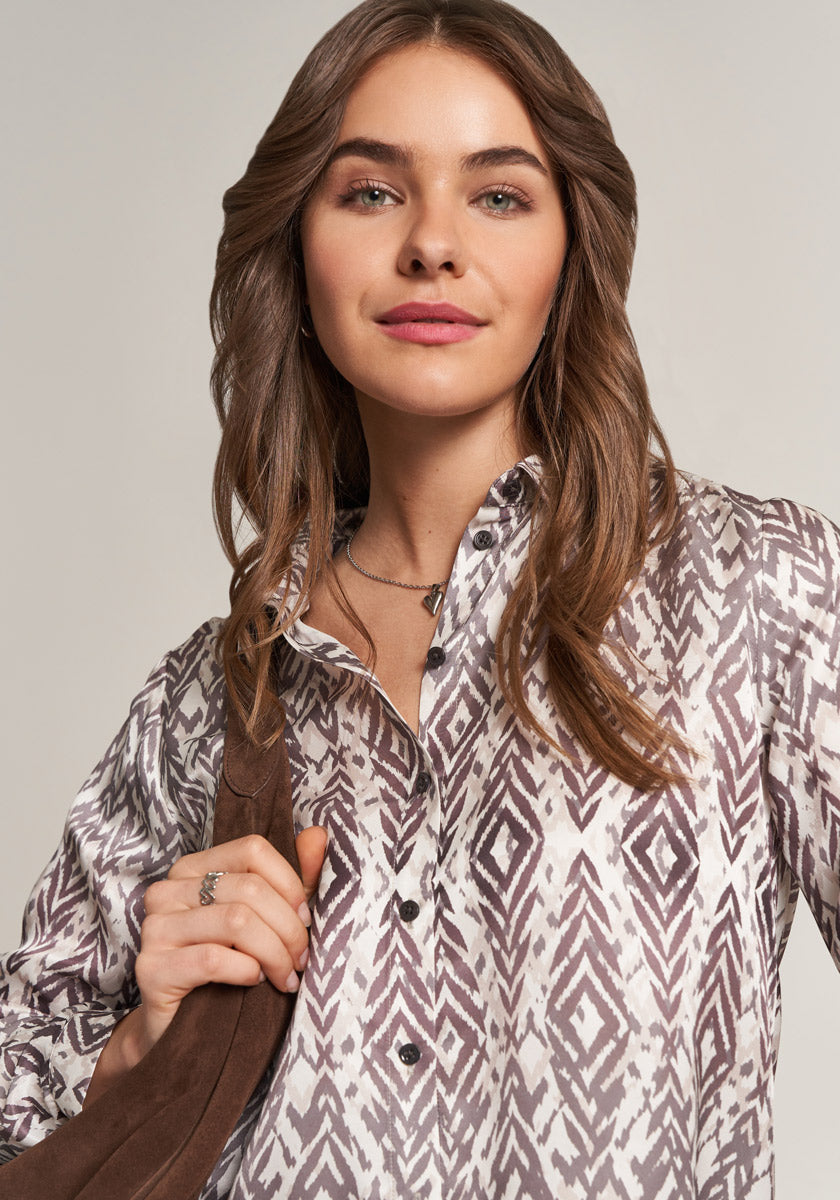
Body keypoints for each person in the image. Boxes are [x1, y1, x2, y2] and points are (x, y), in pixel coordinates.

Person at [1, 0, 838, 1197]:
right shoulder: (211, 694)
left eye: (498, 195)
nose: (434, 245)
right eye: (371, 192)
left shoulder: (762, 593)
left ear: (573, 243)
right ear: (298, 244)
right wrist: (142, 1045)